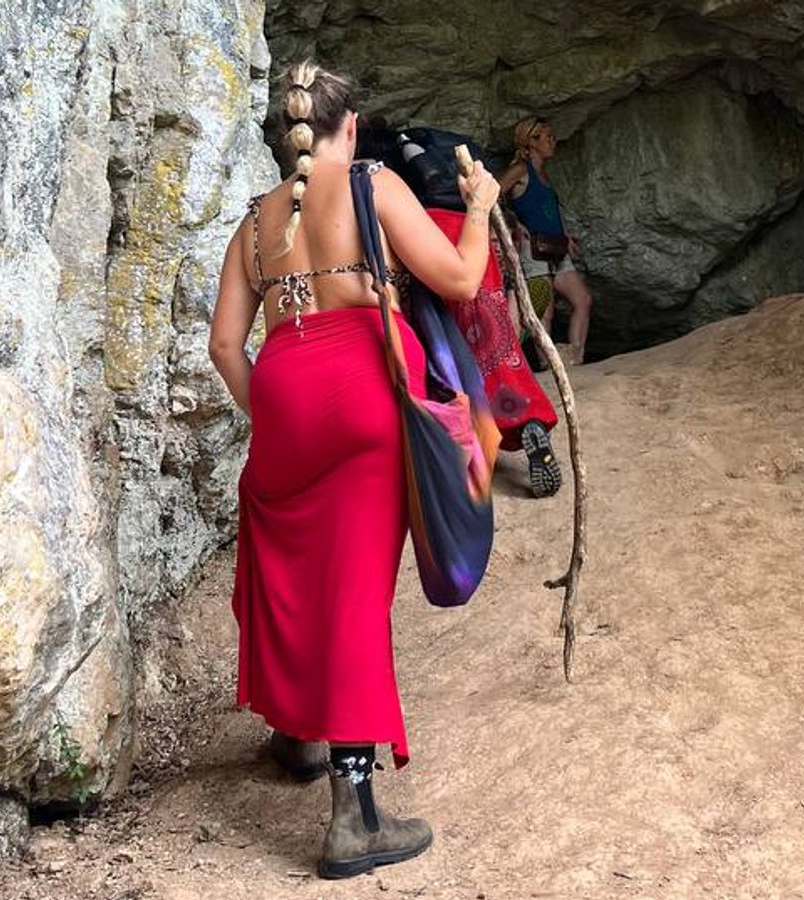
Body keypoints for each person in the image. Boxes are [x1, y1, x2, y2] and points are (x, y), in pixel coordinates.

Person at [207, 60, 500, 880]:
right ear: (351, 124)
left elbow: (225, 345)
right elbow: (460, 279)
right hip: (363, 398)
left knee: (289, 566)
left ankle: (296, 736)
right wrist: (477, 210)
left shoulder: (255, 221)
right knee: (356, 597)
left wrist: (273, 415)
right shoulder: (371, 184)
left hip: (285, 399)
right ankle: (354, 818)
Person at [426, 206, 563, 498]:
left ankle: (463, 443)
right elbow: (509, 321)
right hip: (482, 279)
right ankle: (527, 419)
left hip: (435, 236)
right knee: (495, 363)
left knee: (444, 358)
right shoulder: (494, 254)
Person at [499, 116, 594, 364]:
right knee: (545, 310)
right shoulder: (521, 170)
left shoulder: (543, 173)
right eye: (548, 137)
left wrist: (565, 238)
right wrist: (514, 224)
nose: (553, 141)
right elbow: (492, 193)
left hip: (556, 246)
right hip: (533, 248)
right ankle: (548, 366)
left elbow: (545, 212)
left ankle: (574, 359)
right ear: (531, 141)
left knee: (582, 300)